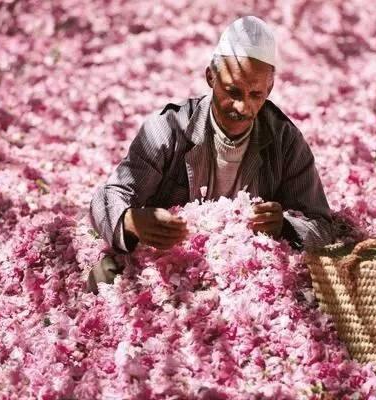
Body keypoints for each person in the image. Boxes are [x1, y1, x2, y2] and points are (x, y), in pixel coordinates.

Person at [87, 16, 333, 293]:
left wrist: (285, 227)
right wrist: (130, 221)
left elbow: (322, 225)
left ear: (269, 90)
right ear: (210, 77)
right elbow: (107, 197)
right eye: (232, 91)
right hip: (170, 268)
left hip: (244, 279)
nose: (242, 107)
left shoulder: (285, 140)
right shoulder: (169, 129)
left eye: (255, 95)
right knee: (105, 277)